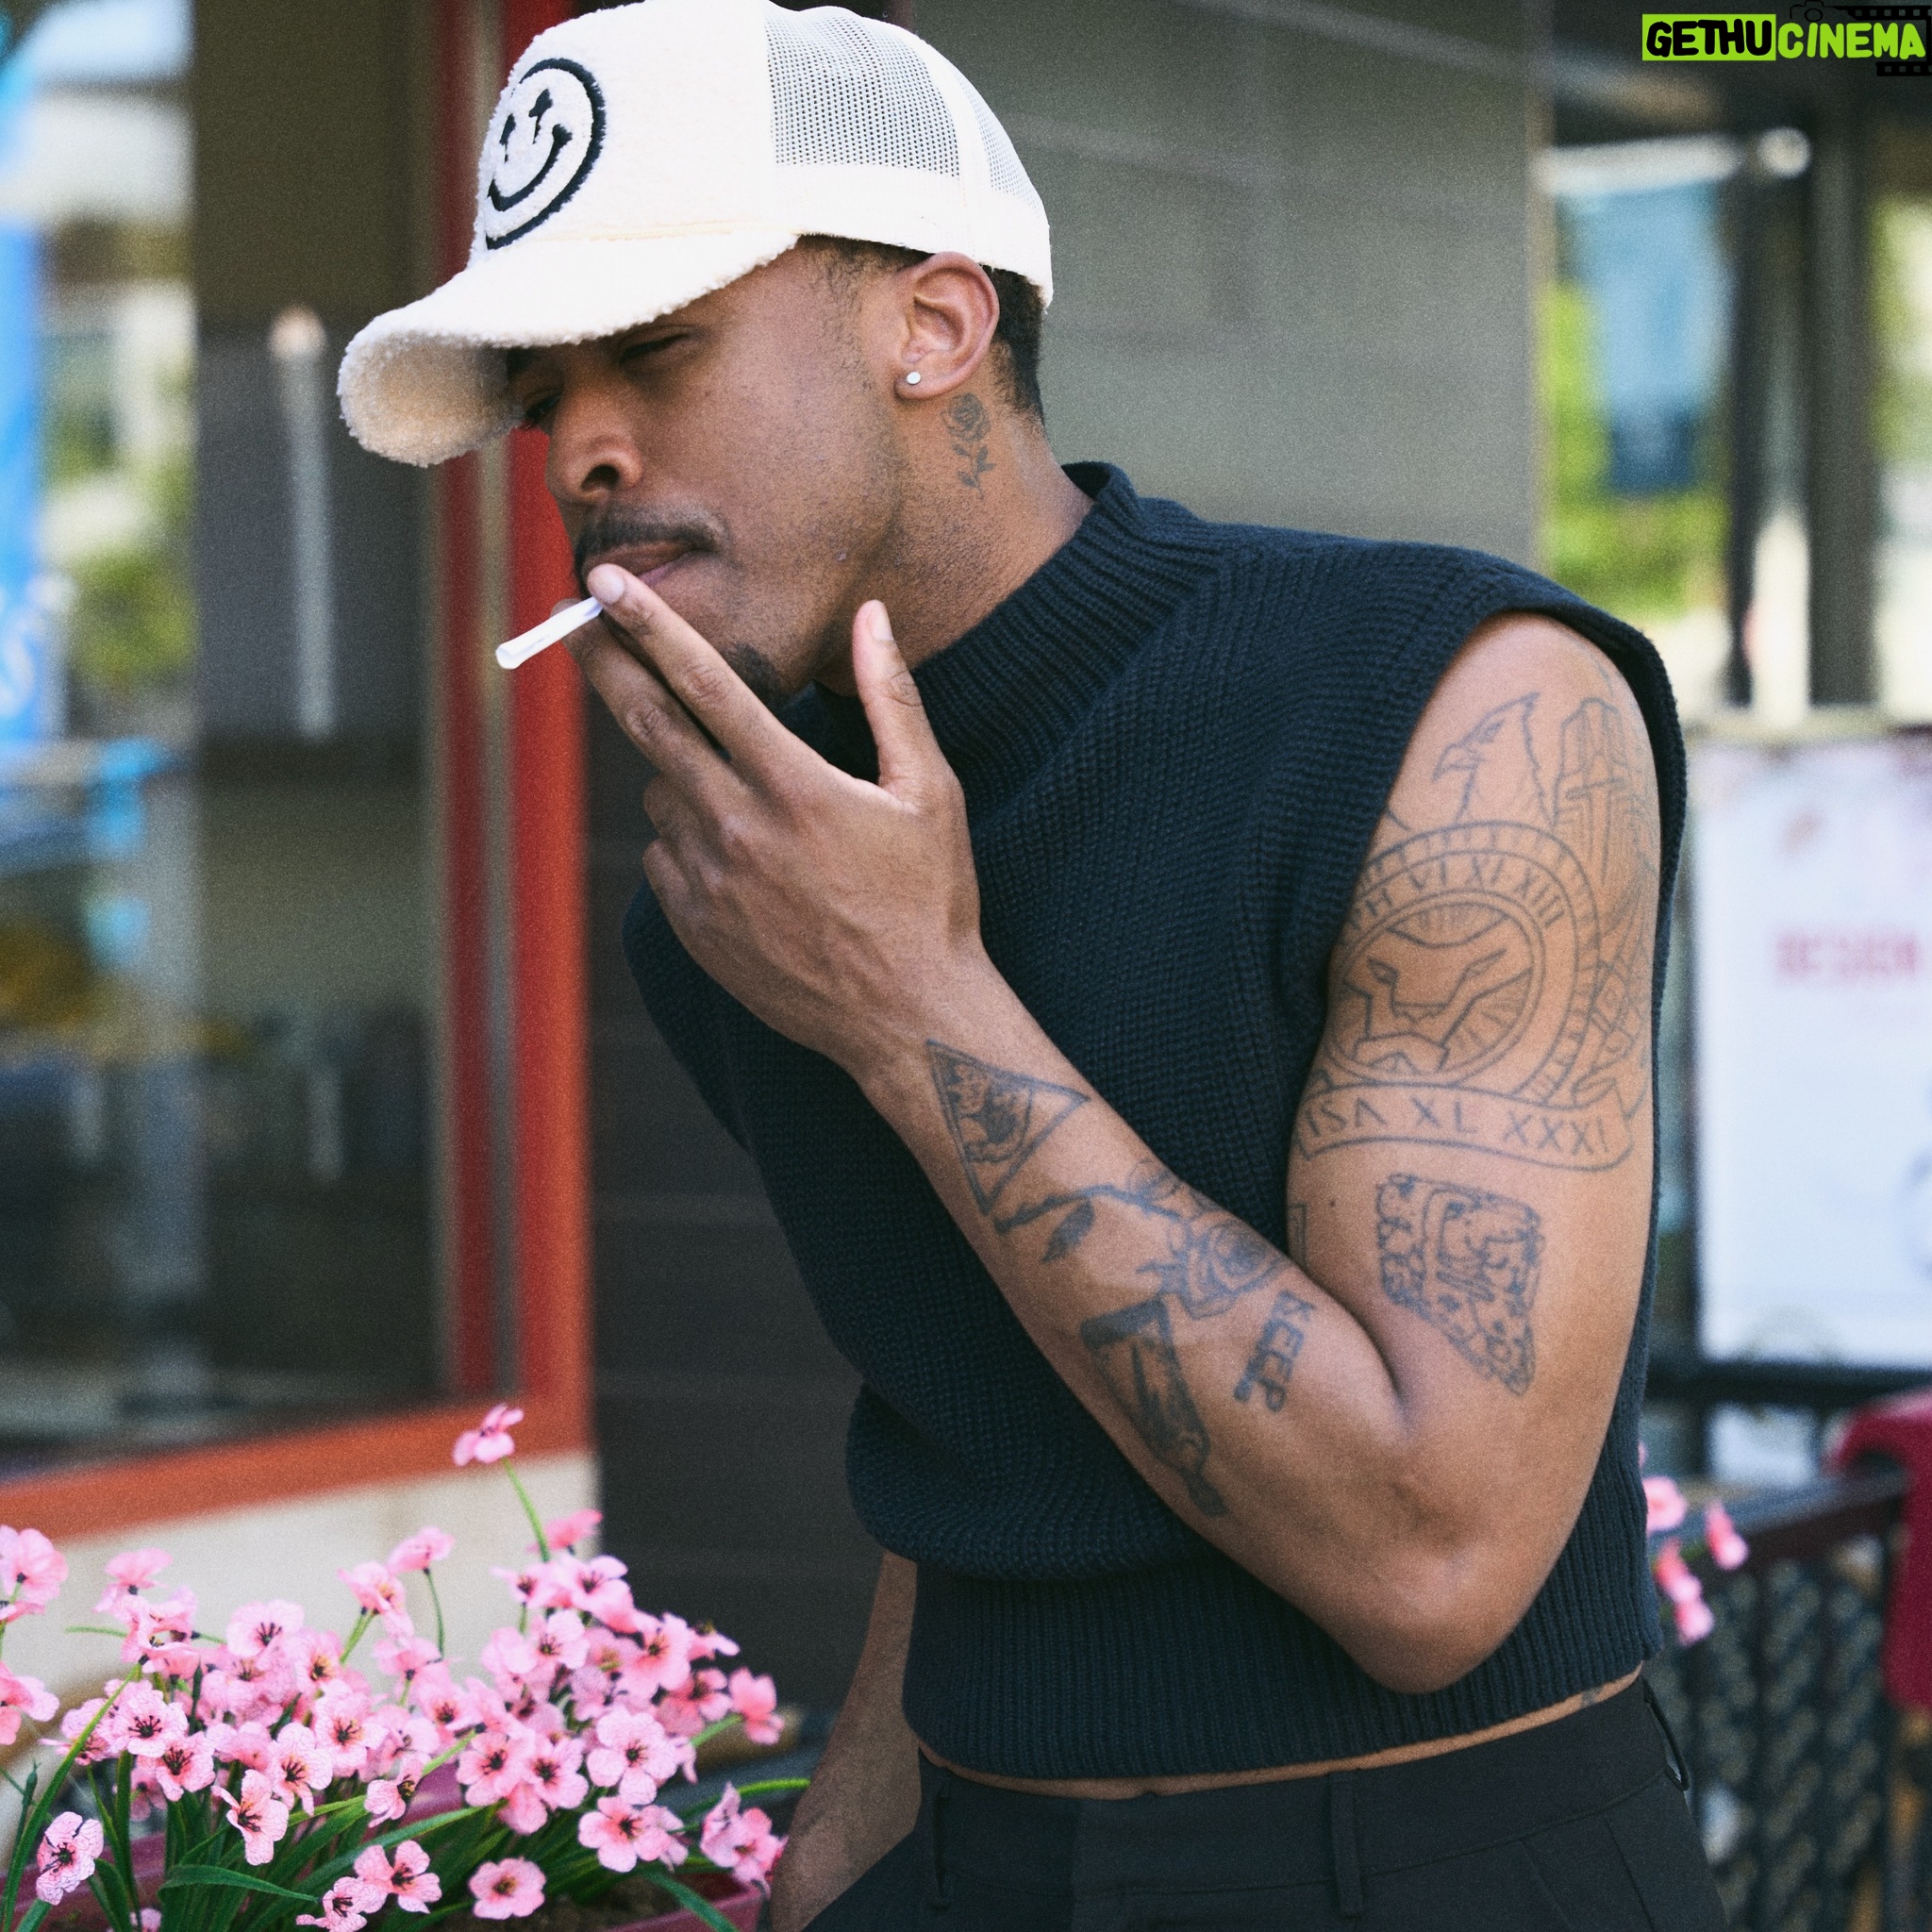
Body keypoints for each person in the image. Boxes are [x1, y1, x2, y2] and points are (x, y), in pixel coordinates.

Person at [341, 3, 1724, 1925]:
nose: (581, 449)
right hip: (977, 1852)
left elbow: (1435, 1563)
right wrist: (830, 1857)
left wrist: (912, 1003)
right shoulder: (740, 891)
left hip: (1433, 1861)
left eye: (654, 349)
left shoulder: (1453, 704)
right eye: (539, 395)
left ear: (934, 324)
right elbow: (996, 1415)